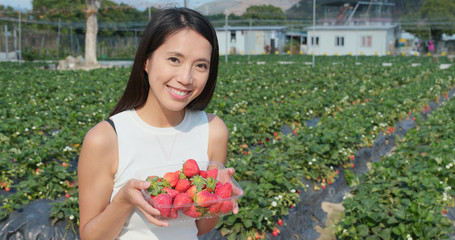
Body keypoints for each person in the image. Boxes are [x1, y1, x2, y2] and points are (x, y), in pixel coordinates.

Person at [78, 7, 239, 240]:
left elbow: (200, 228)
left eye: (200, 65)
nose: (186, 78)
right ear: (146, 61)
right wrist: (123, 200)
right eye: (174, 59)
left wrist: (217, 201)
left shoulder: (213, 131)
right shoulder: (106, 138)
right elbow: (90, 237)